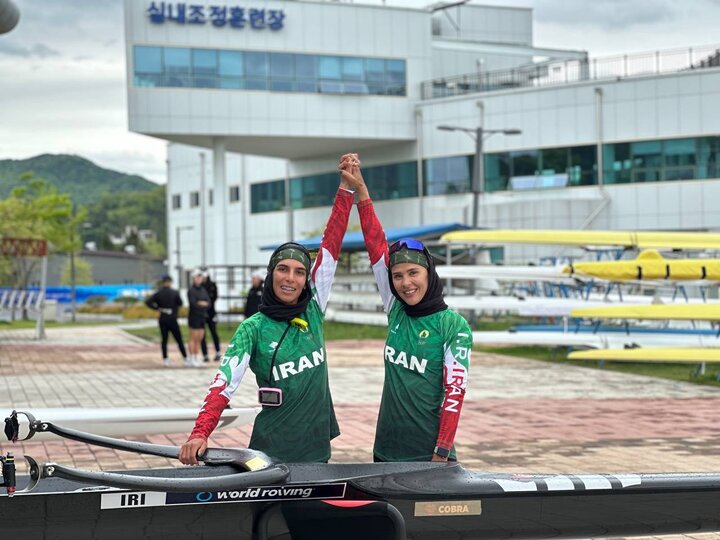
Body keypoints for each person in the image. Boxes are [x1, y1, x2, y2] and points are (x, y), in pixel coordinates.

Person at [179, 165, 354, 465]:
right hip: (270, 450)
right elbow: (223, 384)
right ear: (271, 274)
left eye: (300, 272)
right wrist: (200, 432)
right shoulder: (253, 328)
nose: (291, 278)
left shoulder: (313, 309)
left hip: (317, 450)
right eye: (283, 269)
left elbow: (332, 243)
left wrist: (346, 191)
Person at [339, 154, 472, 462]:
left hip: (430, 456)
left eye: (413, 273)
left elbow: (455, 392)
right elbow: (375, 242)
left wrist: (441, 450)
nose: (405, 283)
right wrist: (361, 192)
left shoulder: (453, 325)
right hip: (385, 450)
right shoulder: (396, 309)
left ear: (429, 272)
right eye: (397, 276)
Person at [144, 275, 187, 367]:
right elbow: (180, 303)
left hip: (163, 318)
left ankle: (165, 359)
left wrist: (157, 308)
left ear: (163, 282)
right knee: (179, 339)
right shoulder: (174, 292)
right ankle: (185, 357)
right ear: (170, 282)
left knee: (164, 340)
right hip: (172, 319)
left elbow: (148, 302)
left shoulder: (159, 293)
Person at [187, 269, 211, 368]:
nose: (199, 279)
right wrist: (201, 303)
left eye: (200, 277)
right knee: (193, 338)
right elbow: (193, 304)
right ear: (193, 279)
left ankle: (196, 357)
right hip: (194, 317)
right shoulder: (191, 291)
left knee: (200, 338)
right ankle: (191, 358)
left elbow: (208, 303)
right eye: (197, 277)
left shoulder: (203, 290)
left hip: (202, 317)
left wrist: (201, 303)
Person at [200, 268, 221, 363]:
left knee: (214, 333)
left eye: (204, 277)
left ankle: (218, 352)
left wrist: (207, 301)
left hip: (211, 313)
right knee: (202, 334)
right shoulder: (199, 286)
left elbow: (214, 297)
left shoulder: (212, 285)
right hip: (202, 313)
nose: (203, 279)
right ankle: (205, 354)